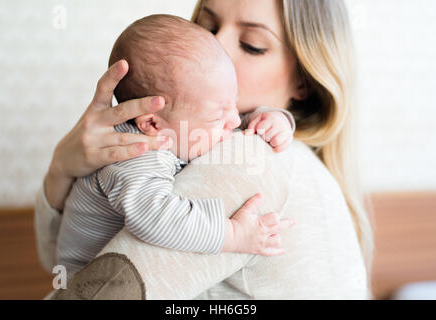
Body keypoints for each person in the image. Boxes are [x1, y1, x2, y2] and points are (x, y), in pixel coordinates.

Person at [35, 0, 374, 299]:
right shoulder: (147, 152)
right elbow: (69, 266)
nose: (215, 45)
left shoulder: (249, 159)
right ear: (152, 122)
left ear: (303, 79)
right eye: (208, 25)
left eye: (251, 44)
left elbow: (85, 283)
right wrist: (63, 167)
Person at [56, 14, 296, 278]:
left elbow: (224, 122)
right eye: (218, 115)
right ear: (153, 124)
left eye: (235, 104)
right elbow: (155, 219)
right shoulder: (135, 155)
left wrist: (271, 118)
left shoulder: (185, 123)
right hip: (93, 283)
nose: (236, 120)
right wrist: (233, 234)